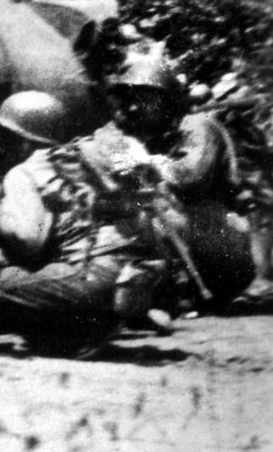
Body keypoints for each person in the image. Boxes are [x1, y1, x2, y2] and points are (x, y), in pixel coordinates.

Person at [0, 89, 167, 350]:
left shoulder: (24, 172)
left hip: (91, 276)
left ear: (25, 141)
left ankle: (78, 327)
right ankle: (84, 329)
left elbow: (28, 240)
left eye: (6, 137)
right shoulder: (78, 160)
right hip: (132, 277)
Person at [82, 48, 259, 310]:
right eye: (129, 100)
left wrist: (146, 163)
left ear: (166, 101)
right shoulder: (145, 136)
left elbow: (190, 177)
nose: (133, 107)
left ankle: (177, 287)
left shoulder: (200, 126)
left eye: (143, 99)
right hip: (194, 240)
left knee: (154, 205)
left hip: (225, 247)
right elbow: (109, 165)